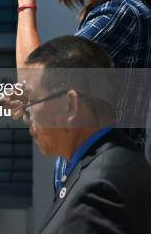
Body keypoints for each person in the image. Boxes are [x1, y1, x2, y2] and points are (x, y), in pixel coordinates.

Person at [6, 0, 151, 190]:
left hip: (102, 179)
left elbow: (35, 78)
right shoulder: (110, 10)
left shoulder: (121, 14)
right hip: (96, 173)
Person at [21, 36, 151, 234]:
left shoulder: (99, 189)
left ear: (70, 105)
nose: (25, 115)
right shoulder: (120, 160)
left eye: (31, 101)